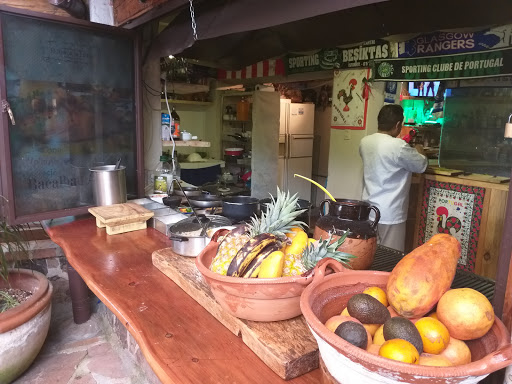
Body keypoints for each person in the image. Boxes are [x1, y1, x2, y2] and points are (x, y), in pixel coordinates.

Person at [359, 104, 428, 252]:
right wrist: (419, 150)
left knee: (371, 252)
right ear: (398, 124)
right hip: (391, 212)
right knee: (391, 256)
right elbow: (421, 165)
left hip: (369, 208)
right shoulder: (399, 146)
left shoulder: (365, 142)